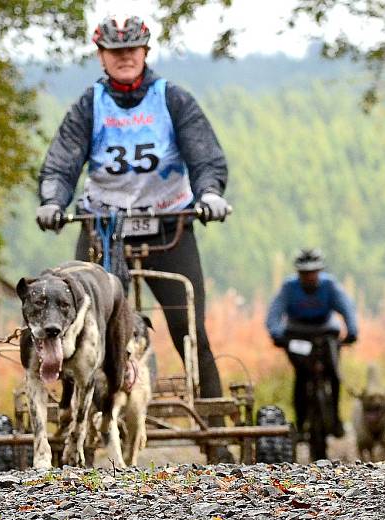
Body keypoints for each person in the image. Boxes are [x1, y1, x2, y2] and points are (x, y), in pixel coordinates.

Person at [36, 15, 231, 454]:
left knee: (188, 326)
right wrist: (52, 200)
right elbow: (62, 162)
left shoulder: (173, 99)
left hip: (169, 224)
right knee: (85, 326)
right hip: (102, 230)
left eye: (132, 50)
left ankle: (217, 437)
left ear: (145, 52)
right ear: (102, 55)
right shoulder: (90, 104)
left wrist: (211, 193)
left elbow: (204, 155)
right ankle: (76, 429)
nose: (125, 58)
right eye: (115, 51)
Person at [265, 248, 358, 437]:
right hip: (297, 332)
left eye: (313, 272)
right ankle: (300, 423)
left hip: (326, 332)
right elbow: (274, 313)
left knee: (333, 373)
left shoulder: (329, 285)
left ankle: (335, 417)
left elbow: (347, 307)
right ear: (298, 273)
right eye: (305, 273)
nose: (309, 277)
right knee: (301, 375)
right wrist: (276, 334)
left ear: (320, 271)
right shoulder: (289, 287)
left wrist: (352, 332)